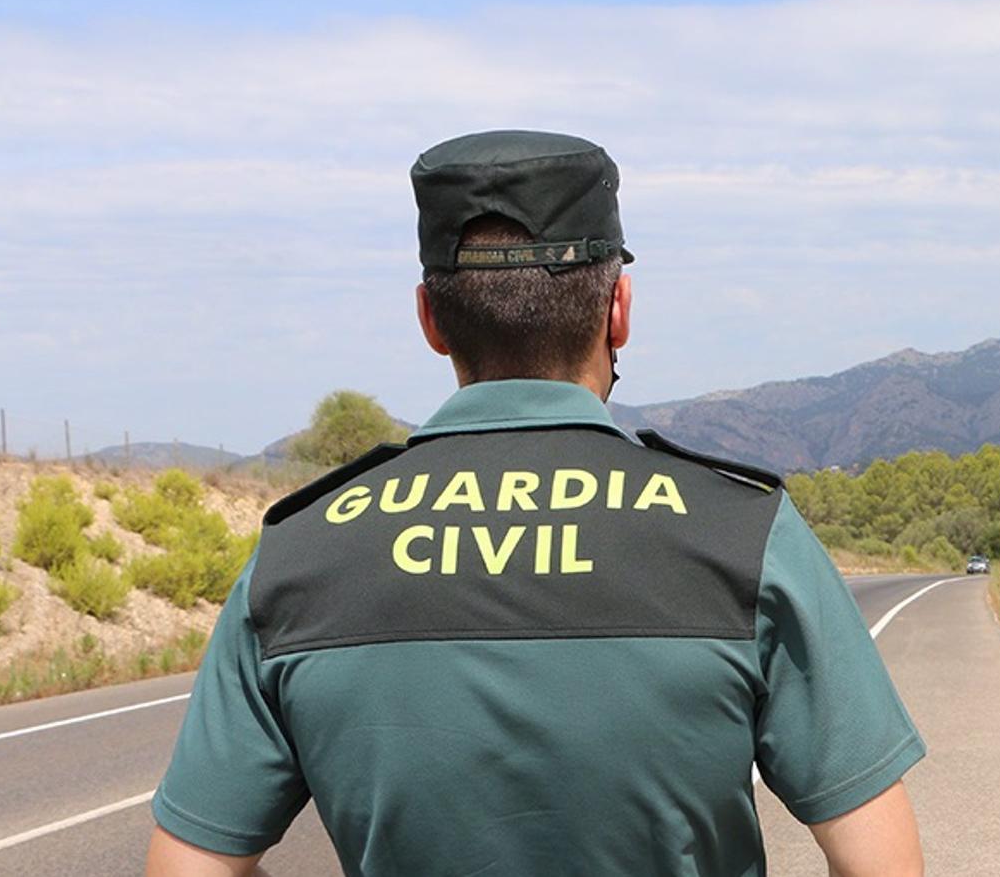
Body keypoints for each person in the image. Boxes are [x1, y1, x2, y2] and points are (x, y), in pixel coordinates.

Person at [145, 130, 926, 876]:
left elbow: (191, 863)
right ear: (618, 309)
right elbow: (879, 861)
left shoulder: (300, 555)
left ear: (430, 319)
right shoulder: (743, 532)